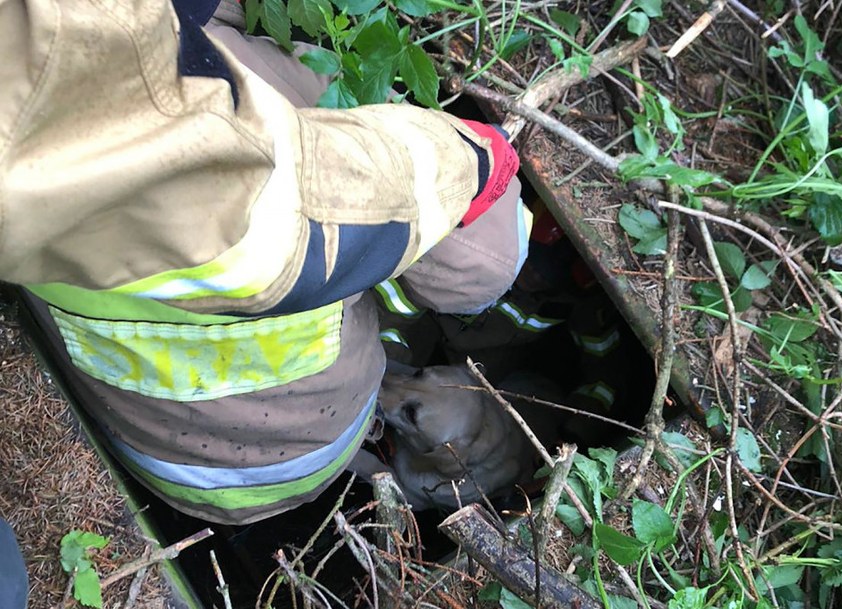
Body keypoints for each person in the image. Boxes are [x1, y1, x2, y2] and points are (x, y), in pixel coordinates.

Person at [1, 0, 529, 527]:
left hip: (144, 442)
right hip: (295, 463)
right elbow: (482, 264)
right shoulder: (224, 87)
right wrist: (470, 156)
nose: (398, 380)